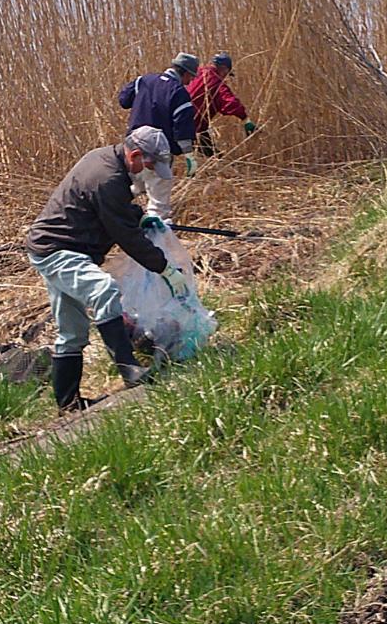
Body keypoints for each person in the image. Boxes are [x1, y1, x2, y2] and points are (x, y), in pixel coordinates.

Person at [26, 126, 191, 412]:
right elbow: (125, 235)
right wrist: (166, 269)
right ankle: (128, 368)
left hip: (55, 248)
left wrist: (139, 218)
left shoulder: (107, 161)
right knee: (105, 290)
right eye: (150, 165)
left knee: (72, 330)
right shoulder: (107, 177)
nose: (150, 171)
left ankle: (68, 404)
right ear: (136, 155)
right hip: (59, 251)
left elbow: (113, 213)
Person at [118, 53, 200, 214]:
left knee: (134, 187)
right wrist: (189, 155)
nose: (191, 81)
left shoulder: (143, 81)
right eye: (191, 77)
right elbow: (182, 127)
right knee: (158, 203)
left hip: (131, 148)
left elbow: (123, 100)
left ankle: (119, 217)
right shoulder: (178, 93)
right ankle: (155, 234)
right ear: (186, 73)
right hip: (157, 150)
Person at [188, 52, 257, 153]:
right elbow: (230, 103)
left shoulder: (196, 72)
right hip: (193, 126)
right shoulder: (217, 84)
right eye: (227, 74)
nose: (225, 78)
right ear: (224, 69)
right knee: (211, 157)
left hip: (181, 120)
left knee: (210, 153)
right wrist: (246, 120)